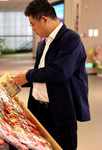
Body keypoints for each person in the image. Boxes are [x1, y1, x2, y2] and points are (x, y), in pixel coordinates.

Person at [10, 0, 91, 150]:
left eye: (33, 24)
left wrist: (28, 75)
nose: (32, 28)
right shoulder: (43, 44)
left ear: (44, 19)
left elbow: (60, 72)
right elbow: (43, 75)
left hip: (60, 111)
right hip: (38, 110)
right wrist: (20, 80)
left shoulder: (70, 39)